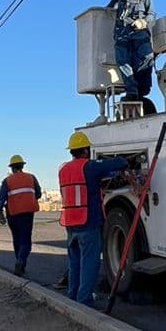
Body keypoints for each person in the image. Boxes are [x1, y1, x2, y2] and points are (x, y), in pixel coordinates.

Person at [58, 130, 129, 306]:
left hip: (70, 223)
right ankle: (84, 302)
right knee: (90, 264)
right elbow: (119, 163)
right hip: (87, 223)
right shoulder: (89, 166)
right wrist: (122, 160)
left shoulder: (63, 169)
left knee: (75, 263)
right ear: (86, 150)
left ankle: (73, 296)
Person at [108, 0, 156, 111]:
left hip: (139, 35)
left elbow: (152, 14)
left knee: (146, 59)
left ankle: (142, 91)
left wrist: (143, 22)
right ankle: (132, 92)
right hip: (122, 34)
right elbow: (111, 5)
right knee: (123, 62)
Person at [0, 153, 41, 276]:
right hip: (27, 213)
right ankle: (21, 262)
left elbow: (1, 198)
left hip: (12, 214)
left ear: (12, 168)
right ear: (22, 166)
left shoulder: (7, 181)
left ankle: (19, 263)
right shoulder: (31, 178)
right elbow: (39, 193)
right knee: (25, 241)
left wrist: (0, 213)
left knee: (17, 239)